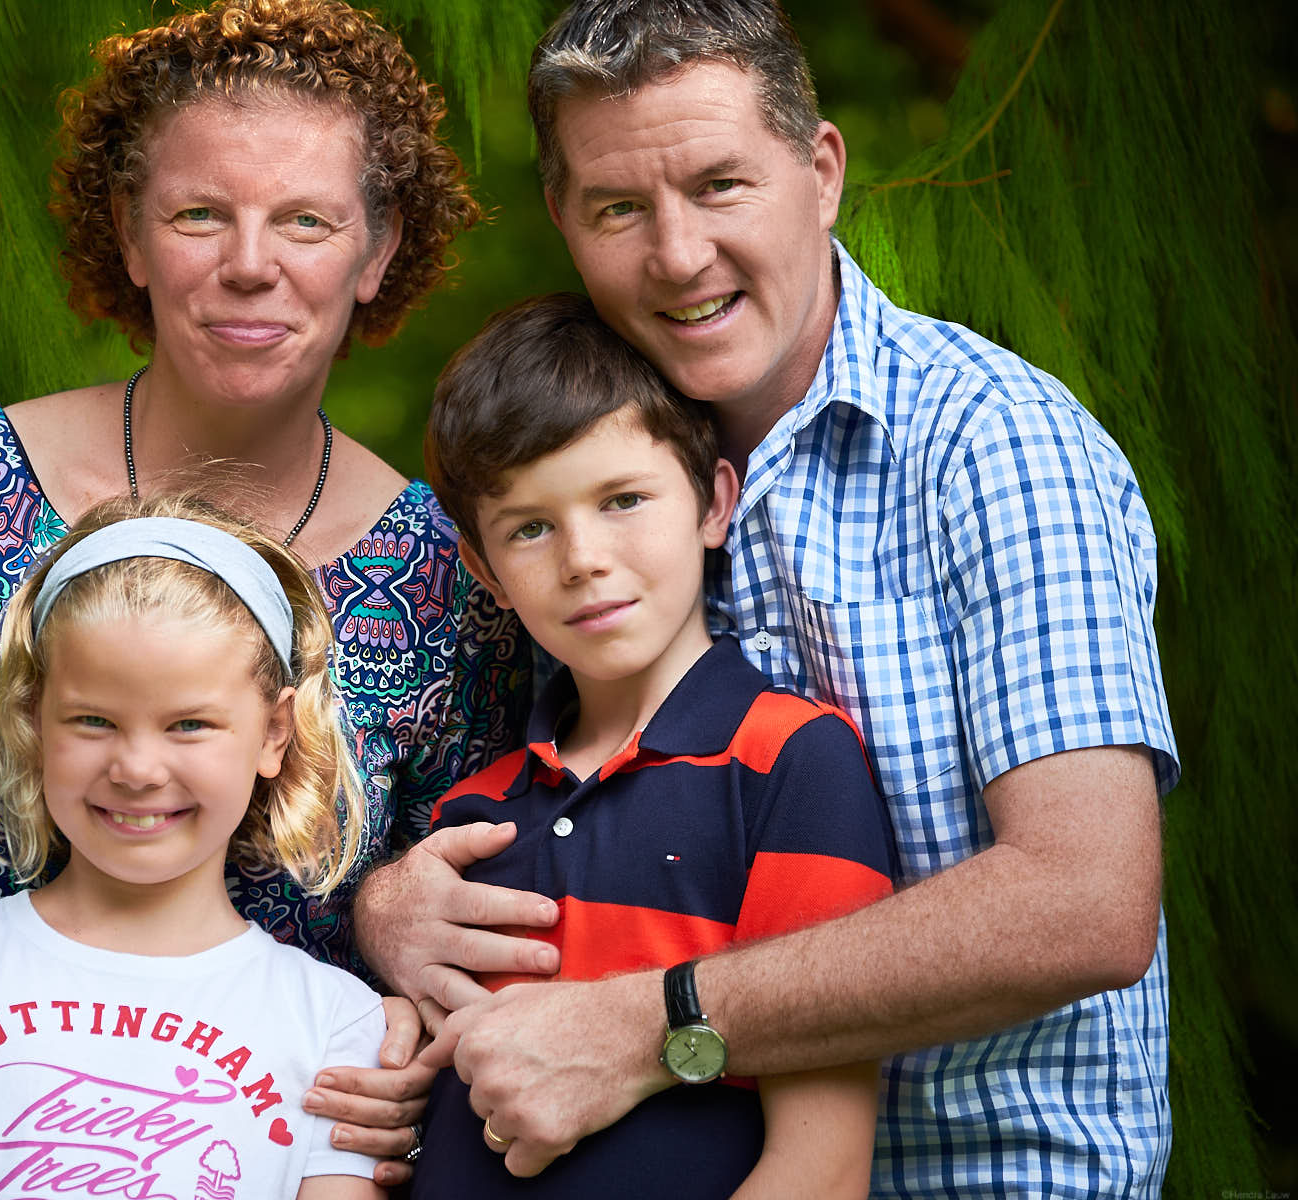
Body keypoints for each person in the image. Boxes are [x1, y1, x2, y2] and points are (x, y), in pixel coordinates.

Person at [355, 1, 1179, 1195]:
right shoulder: (581, 463)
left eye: (722, 183)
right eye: (619, 208)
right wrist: (397, 912)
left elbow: (1085, 904)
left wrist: (650, 1023)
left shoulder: (993, 446)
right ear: (566, 224)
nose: (678, 254)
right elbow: (547, 798)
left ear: (822, 170)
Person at [0, 1, 528, 1181]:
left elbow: (480, 878)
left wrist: (401, 973)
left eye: (306, 220)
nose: (251, 263)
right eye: (199, 215)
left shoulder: (451, 578)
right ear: (130, 238)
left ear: (378, 252)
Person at [404, 292, 895, 1199]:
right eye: (530, 527)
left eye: (623, 499)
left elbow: (821, 1167)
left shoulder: (792, 763)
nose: (583, 557)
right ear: (484, 569)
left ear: (713, 502)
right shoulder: (470, 815)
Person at [0, 496, 386, 1199]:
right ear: (33, 716)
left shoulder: (335, 1024)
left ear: (275, 733)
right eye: (94, 720)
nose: (136, 769)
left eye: (190, 724)